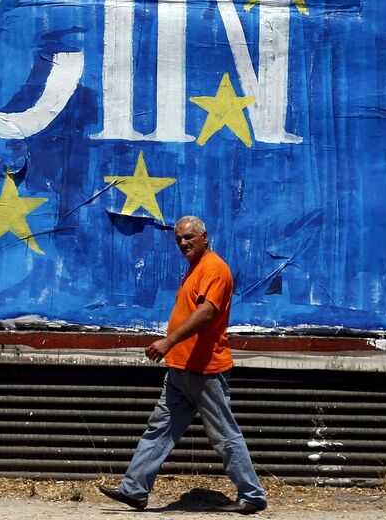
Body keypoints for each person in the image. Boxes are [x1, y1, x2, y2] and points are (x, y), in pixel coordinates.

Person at [99, 216, 267, 514]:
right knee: (160, 429)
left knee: (224, 434)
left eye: (188, 237)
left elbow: (205, 313)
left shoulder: (214, 268)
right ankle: (135, 489)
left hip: (204, 369)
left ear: (205, 237)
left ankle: (252, 495)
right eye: (178, 239)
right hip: (182, 367)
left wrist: (168, 342)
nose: (183, 243)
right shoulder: (196, 267)